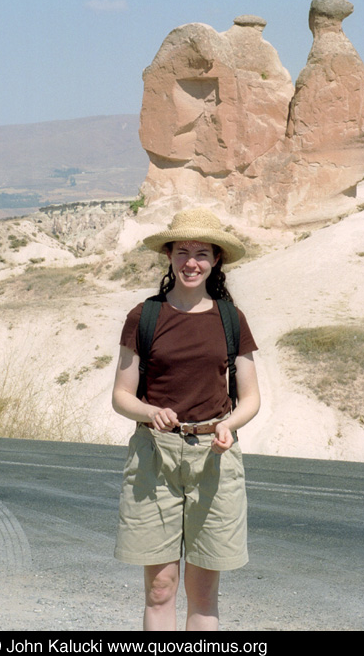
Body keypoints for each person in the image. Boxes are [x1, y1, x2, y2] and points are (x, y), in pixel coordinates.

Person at [112, 207, 260, 632]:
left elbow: (250, 398)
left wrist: (229, 425)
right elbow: (122, 396)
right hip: (153, 456)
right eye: (181, 252)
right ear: (169, 257)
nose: (190, 262)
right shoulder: (145, 317)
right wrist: (149, 411)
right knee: (160, 588)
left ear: (216, 260)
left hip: (214, 457)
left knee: (203, 591)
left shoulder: (231, 319)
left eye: (201, 253)